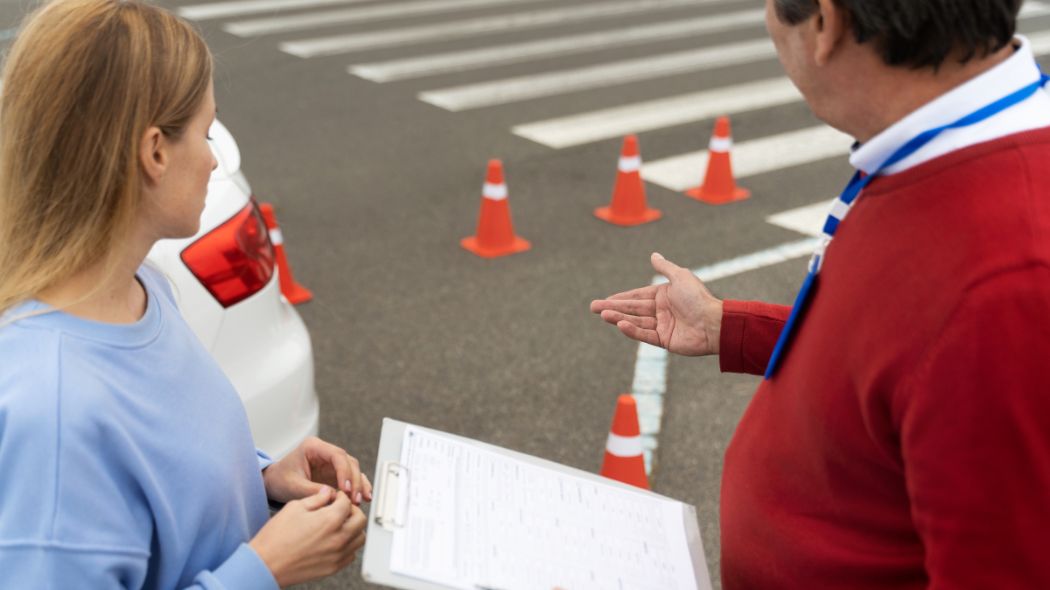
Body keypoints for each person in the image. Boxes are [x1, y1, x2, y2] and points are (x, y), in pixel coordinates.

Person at [592, 0, 1050, 588]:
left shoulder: (1008, 281)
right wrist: (728, 325)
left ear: (826, 25)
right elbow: (902, 357)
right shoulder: (939, 145)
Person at [0, 0, 371, 587]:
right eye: (205, 132)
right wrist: (263, 570)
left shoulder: (141, 288)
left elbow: (162, 467)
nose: (213, 159)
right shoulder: (53, 410)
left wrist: (263, 477)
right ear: (153, 152)